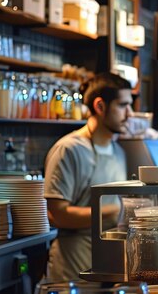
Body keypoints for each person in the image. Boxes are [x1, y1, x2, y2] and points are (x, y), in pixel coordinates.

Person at [44, 72, 133, 282]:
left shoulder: (118, 151)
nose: (130, 114)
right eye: (123, 106)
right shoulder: (69, 149)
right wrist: (115, 211)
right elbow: (57, 214)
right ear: (100, 106)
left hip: (109, 264)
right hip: (73, 266)